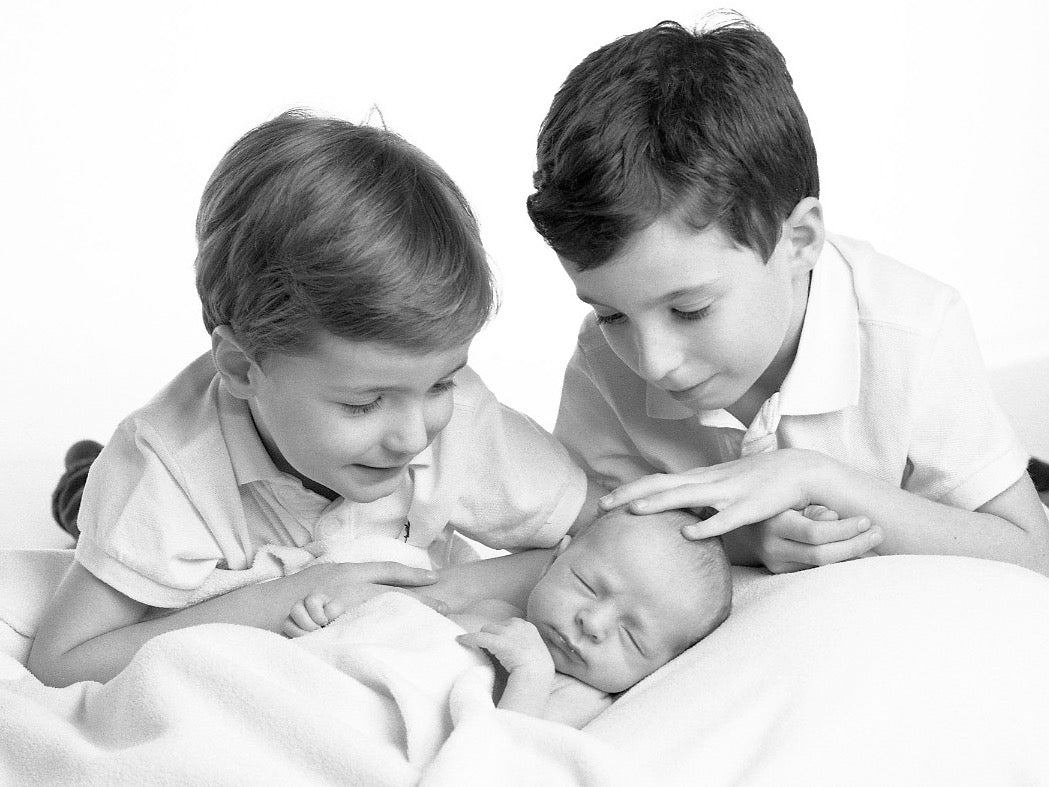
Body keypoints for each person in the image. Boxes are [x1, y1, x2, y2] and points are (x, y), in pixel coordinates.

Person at [28, 110, 593, 688]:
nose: (412, 435)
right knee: (96, 504)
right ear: (244, 367)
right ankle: (84, 477)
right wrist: (293, 596)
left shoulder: (453, 415)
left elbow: (607, 530)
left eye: (441, 383)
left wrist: (440, 591)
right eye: (362, 403)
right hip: (183, 538)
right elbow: (60, 662)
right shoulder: (164, 466)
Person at [525, 16, 1049, 575]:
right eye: (609, 314)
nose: (653, 360)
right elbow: (586, 529)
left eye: (690, 309)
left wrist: (814, 478)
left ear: (798, 242)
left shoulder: (914, 331)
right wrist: (748, 541)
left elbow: (1031, 554)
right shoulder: (602, 362)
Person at [284, 506, 732, 720]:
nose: (592, 623)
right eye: (586, 586)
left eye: (632, 637)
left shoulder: (579, 697)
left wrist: (530, 677)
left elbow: (509, 759)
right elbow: (386, 639)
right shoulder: (494, 608)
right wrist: (324, 626)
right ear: (557, 558)